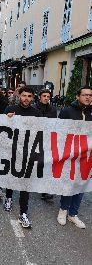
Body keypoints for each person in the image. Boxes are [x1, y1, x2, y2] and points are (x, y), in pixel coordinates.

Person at [4, 86, 41, 228]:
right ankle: (8, 197)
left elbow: (41, 131)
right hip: (12, 150)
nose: (26, 98)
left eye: (29, 96)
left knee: (26, 182)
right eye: (24, 95)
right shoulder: (10, 109)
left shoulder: (36, 113)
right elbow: (0, 127)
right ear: (19, 96)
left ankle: (23, 213)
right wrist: (7, 120)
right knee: (11, 176)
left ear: (32, 98)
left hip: (29, 151)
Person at [57, 86, 92, 229]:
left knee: (82, 184)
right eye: (85, 95)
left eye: (90, 95)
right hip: (70, 155)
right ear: (78, 96)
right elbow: (58, 131)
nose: (88, 97)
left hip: (88, 156)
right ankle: (63, 210)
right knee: (70, 183)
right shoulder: (67, 111)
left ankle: (73, 214)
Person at [33, 88, 57, 200]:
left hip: (46, 139)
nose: (46, 98)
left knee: (46, 164)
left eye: (48, 97)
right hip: (33, 138)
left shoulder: (52, 109)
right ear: (39, 97)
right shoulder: (33, 108)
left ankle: (45, 190)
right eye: (44, 96)